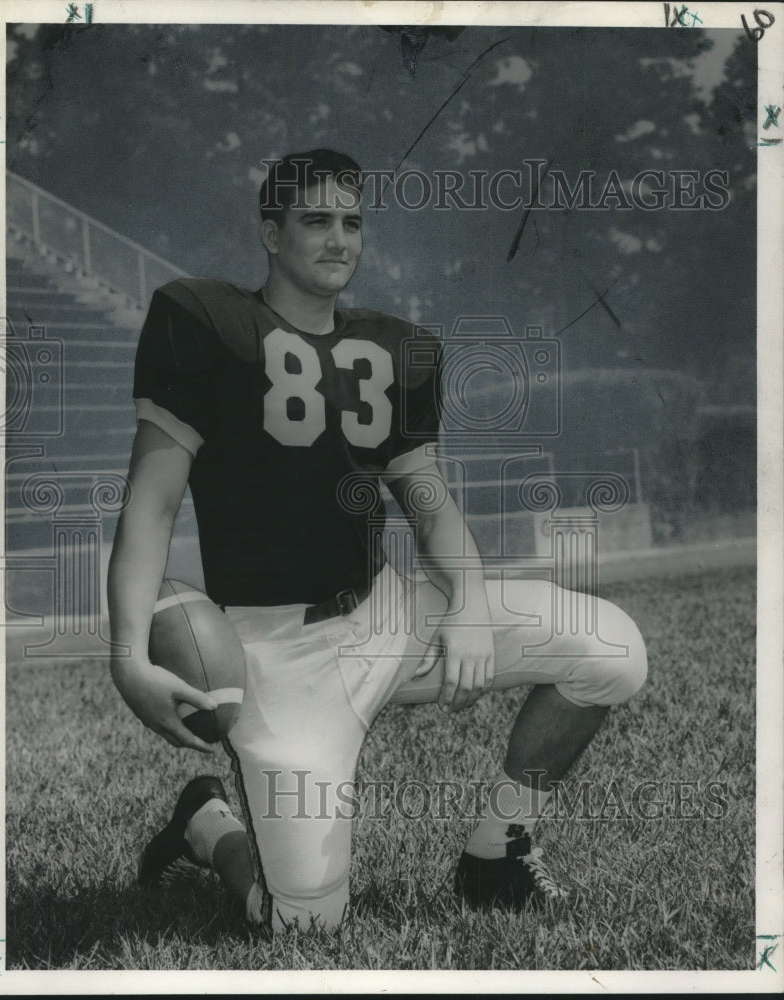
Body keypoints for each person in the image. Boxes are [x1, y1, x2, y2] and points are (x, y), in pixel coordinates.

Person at [108, 149, 647, 934]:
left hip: (387, 613)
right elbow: (147, 509)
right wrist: (128, 656)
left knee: (611, 649)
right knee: (302, 925)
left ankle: (494, 854)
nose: (338, 239)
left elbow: (428, 504)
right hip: (278, 649)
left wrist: (464, 603)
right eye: (315, 220)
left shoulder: (394, 347)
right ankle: (207, 825)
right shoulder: (205, 324)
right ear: (270, 232)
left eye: (352, 222)